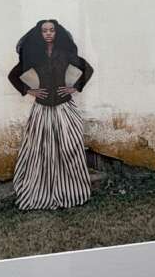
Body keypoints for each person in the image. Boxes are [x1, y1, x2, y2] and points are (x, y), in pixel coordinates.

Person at [8, 19, 94, 210]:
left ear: (57, 33)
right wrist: (29, 90)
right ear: (39, 34)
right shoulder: (34, 55)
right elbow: (13, 76)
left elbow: (87, 69)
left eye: (51, 30)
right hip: (42, 110)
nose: (48, 33)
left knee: (70, 147)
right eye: (44, 30)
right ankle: (40, 191)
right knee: (41, 150)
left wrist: (74, 87)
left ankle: (72, 191)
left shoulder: (65, 53)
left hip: (65, 108)